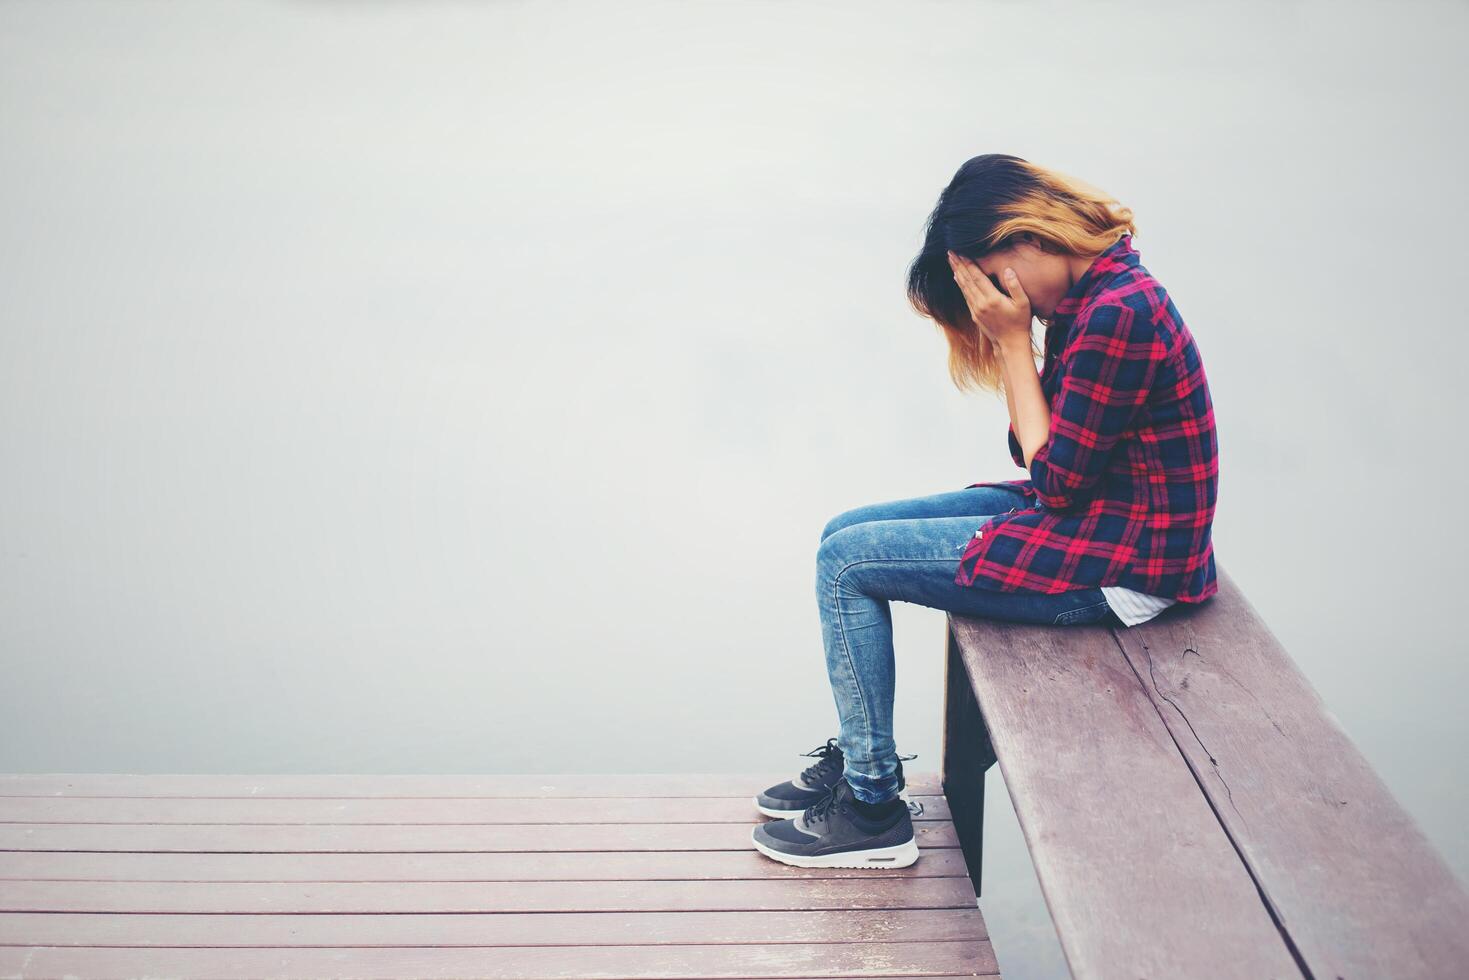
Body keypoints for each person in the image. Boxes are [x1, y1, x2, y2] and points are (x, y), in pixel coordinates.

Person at [750, 153, 1220, 870]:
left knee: (846, 567)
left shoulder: (1116, 312)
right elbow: (1036, 450)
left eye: (990, 278)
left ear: (1022, 235)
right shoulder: (1093, 296)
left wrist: (1009, 341)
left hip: (1117, 564)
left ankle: (873, 808)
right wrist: (1018, 338)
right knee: (841, 533)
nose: (995, 299)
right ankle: (861, 754)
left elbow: (1053, 477)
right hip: (1096, 522)